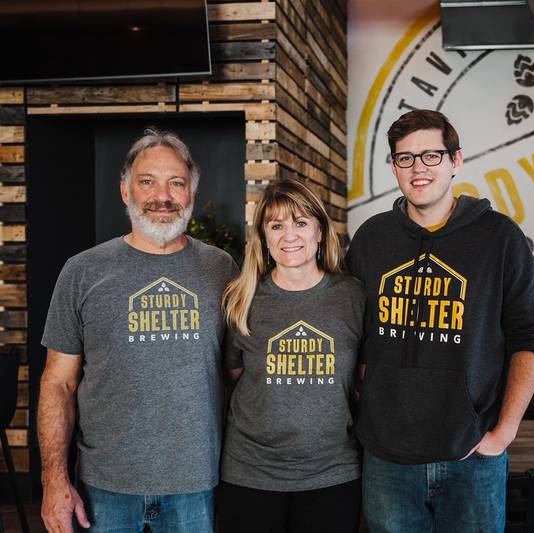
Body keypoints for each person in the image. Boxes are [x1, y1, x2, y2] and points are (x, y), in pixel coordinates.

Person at [347, 109, 534, 532]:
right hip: (387, 459)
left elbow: (530, 337)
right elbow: (353, 333)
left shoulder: (499, 238)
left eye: (431, 155)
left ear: (456, 161)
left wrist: (504, 433)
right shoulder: (372, 238)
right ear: (393, 167)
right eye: (405, 158)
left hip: (473, 456)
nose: (418, 168)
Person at [38, 128, 239, 532]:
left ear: (191, 195)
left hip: (196, 487)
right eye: (147, 181)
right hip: (105, 487)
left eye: (176, 183)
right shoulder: (82, 272)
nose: (161, 196)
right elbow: (58, 383)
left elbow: (237, 375)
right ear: (125, 191)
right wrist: (53, 480)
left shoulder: (222, 270)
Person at [218, 178, 364, 533]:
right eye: (276, 225)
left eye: (300, 223)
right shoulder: (242, 298)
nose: (289, 235)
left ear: (319, 231)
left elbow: (364, 376)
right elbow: (233, 377)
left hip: (333, 474)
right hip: (250, 474)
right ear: (264, 237)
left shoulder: (353, 296)